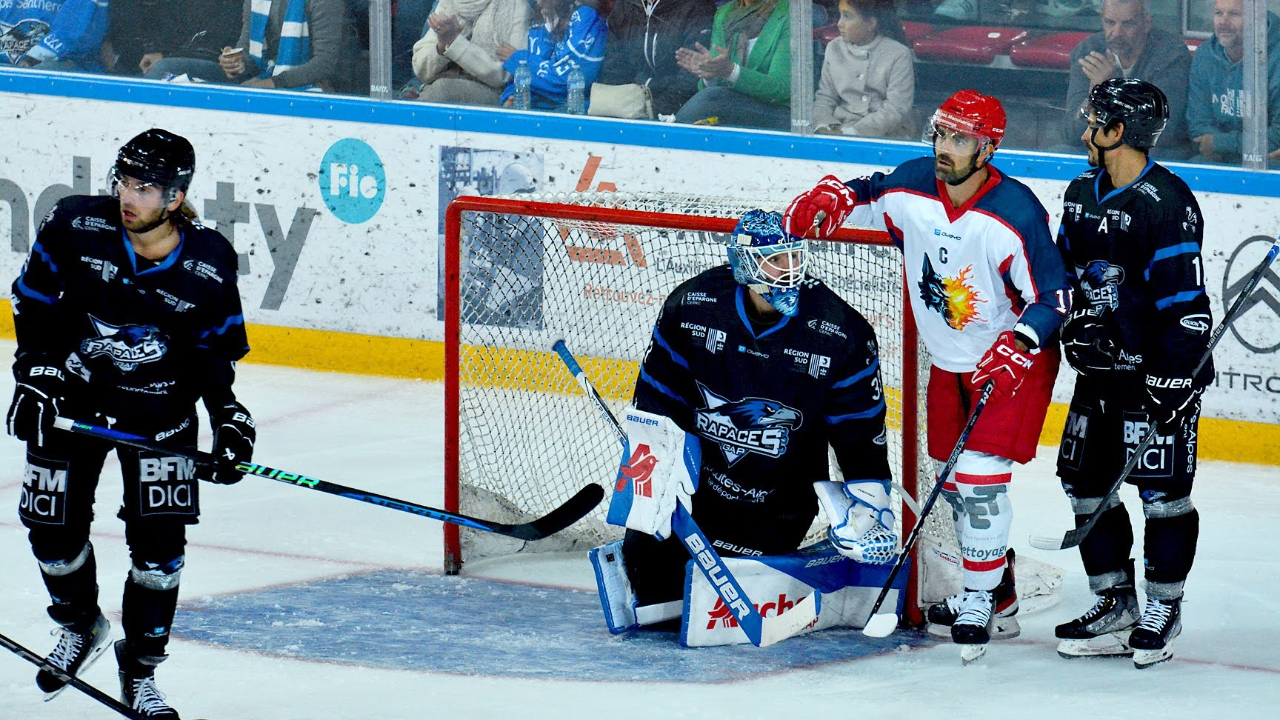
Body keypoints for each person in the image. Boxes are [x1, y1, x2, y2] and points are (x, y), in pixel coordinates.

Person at [784, 90, 1073, 652]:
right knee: (955, 488)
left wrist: (1020, 342)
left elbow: (1054, 296)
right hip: (948, 365)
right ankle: (1002, 586)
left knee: (979, 485)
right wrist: (836, 192)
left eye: (960, 138)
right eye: (941, 133)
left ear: (988, 147)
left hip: (1010, 367)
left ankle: (980, 600)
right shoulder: (912, 183)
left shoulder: (1014, 212)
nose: (945, 147)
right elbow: (870, 192)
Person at [8, 129, 254, 718]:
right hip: (72, 402)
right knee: (51, 531)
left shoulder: (209, 262)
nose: (128, 196)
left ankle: (139, 669)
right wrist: (34, 376)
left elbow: (212, 352)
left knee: (159, 552)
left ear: (175, 197)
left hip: (160, 414)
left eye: (145, 187)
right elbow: (33, 302)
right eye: (124, 180)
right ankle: (80, 626)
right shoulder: (73, 225)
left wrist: (227, 415)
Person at [589, 209, 897, 630]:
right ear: (746, 264)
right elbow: (655, 401)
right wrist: (656, 472)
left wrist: (872, 507)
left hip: (779, 503)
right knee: (651, 584)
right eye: (775, 260)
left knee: (726, 591)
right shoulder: (692, 306)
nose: (789, 271)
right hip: (697, 492)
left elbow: (860, 432)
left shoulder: (841, 332)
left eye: (794, 257)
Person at [1052, 78, 1212, 669]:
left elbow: (1186, 306)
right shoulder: (1079, 193)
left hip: (1155, 376)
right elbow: (1063, 279)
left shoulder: (1168, 203)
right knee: (1083, 481)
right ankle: (1115, 602)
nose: (1084, 125)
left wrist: (1176, 376)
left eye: (1095, 118)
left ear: (1118, 131)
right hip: (1099, 375)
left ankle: (1163, 607)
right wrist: (1072, 327)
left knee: (1163, 494)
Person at [1060, 0, 1192, 159]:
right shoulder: (1088, 51)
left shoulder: (1170, 55)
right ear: (1102, 18)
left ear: (1146, 23)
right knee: (1061, 152)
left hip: (1152, 155)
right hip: (1103, 147)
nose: (1116, 33)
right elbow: (1071, 134)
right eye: (1110, 22)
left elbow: (1163, 132)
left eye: (1127, 24)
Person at [144, 0, 350, 92]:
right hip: (260, 78)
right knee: (163, 69)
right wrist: (232, 62)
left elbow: (324, 64)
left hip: (303, 84)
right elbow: (248, 58)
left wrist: (272, 83)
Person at [1186, 0, 1280, 164]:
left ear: (1257, 19)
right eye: (1218, 13)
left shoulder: (1276, 59)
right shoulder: (1204, 56)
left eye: (1234, 14)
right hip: (1218, 158)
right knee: (1196, 165)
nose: (1223, 22)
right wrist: (1224, 148)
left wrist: (1219, 143)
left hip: (1266, 163)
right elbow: (1198, 125)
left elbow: (1277, 135)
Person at [673, 0, 790, 130]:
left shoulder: (791, 13)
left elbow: (782, 89)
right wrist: (710, 75)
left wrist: (731, 71)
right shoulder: (724, 13)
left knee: (711, 100)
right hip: (731, 111)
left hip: (779, 115)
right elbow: (711, 85)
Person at [594, 0, 716, 119]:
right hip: (630, 109)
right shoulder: (625, 5)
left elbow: (690, 82)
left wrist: (650, 111)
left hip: (676, 115)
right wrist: (619, 105)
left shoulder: (697, 7)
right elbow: (614, 70)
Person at [813, 0, 914, 139]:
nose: (839, 23)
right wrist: (825, 126)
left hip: (886, 135)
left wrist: (852, 133)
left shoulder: (899, 54)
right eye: (840, 15)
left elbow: (896, 109)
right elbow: (825, 98)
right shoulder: (833, 48)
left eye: (847, 16)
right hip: (836, 131)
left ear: (870, 24)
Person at [410, 0, 532, 106]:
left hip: (491, 92)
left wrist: (455, 43)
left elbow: (509, 74)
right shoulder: (450, 3)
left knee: (442, 89)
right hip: (437, 85)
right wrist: (442, 45)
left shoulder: (517, 7)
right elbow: (420, 69)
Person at [498, 0, 608, 110]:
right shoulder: (538, 18)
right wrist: (511, 98)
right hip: (535, 110)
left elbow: (568, 80)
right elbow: (522, 78)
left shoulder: (586, 17)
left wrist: (519, 60)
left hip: (573, 113)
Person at [101, 0, 242, 76]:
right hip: (138, 68)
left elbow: (213, 40)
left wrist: (166, 56)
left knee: (163, 68)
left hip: (210, 66)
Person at [0, 0, 109, 70]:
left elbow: (73, 33)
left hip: (63, 68)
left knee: (42, 73)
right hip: (9, 69)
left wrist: (31, 60)